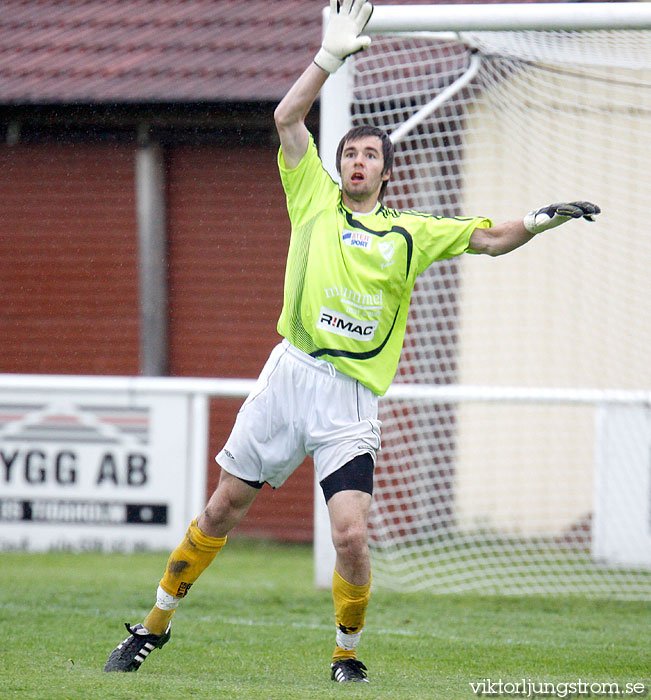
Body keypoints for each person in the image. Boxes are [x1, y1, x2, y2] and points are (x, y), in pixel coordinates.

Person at [104, 0, 600, 683]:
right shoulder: (311, 196)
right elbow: (284, 118)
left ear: (388, 172)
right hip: (288, 378)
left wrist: (538, 221)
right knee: (222, 508)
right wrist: (328, 59)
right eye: (349, 154)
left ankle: (345, 654)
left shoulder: (409, 232)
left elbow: (488, 238)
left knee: (351, 535)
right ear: (338, 167)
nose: (357, 160)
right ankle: (152, 626)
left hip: (348, 401)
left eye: (370, 154)